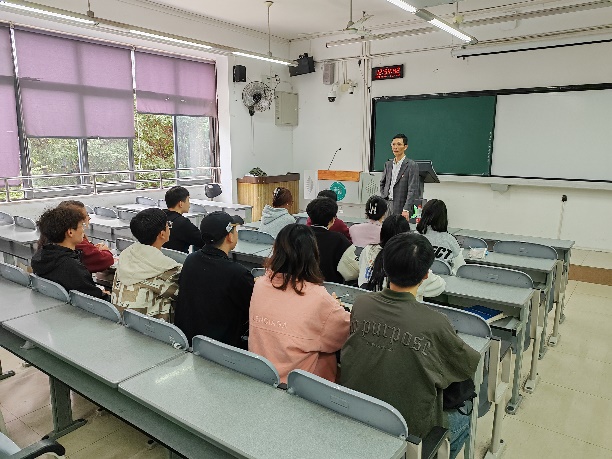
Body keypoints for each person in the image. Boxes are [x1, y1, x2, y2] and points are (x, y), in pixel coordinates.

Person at [341, 233, 480, 459]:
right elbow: (466, 365)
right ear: (426, 274)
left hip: (357, 414)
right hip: (409, 435)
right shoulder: (435, 323)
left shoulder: (361, 304)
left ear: (384, 267)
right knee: (465, 417)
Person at [249, 224, 350, 383]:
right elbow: (345, 334)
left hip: (259, 374)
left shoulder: (260, 284)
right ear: (312, 254)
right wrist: (335, 307)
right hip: (297, 385)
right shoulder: (319, 297)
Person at [174, 211, 254, 348]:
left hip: (188, 340)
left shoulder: (191, 260)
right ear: (230, 236)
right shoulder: (237, 273)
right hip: (221, 348)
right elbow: (253, 307)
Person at [112, 208, 181, 321]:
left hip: (122, 320)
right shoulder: (168, 269)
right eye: (168, 224)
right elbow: (184, 293)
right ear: (162, 234)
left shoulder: (126, 254)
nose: (169, 227)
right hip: (147, 326)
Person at [32, 206, 110, 301]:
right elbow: (95, 299)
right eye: (81, 226)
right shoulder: (72, 266)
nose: (83, 230)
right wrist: (105, 295)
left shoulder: (40, 255)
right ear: (70, 232)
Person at [359, 215, 445, 300]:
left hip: (369, 302)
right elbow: (440, 285)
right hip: (404, 307)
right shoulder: (410, 259)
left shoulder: (368, 250)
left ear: (382, 232)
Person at [36, 200, 114, 273]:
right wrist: (105, 251)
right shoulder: (73, 245)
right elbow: (102, 260)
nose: (88, 218)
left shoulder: (45, 247)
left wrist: (93, 249)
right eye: (83, 217)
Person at [305, 197, 359, 284]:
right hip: (330, 288)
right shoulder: (339, 240)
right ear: (332, 220)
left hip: (299, 286)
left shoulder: (297, 234)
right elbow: (352, 272)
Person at [417, 199, 465, 274]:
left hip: (416, 279)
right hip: (444, 280)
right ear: (444, 218)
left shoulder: (413, 238)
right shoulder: (450, 240)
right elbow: (461, 269)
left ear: (423, 215)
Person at [380, 133, 420, 219]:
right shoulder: (388, 164)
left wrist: (406, 209)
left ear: (405, 147)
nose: (395, 147)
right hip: (387, 204)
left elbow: (412, 189)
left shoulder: (411, 165)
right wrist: (384, 197)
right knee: (385, 226)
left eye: (399, 144)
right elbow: (382, 183)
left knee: (398, 227)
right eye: (393, 144)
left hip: (401, 206)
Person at [163, 186, 204, 253]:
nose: (189, 204)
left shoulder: (159, 216)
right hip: (179, 258)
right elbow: (202, 241)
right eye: (188, 200)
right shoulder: (183, 223)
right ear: (181, 204)